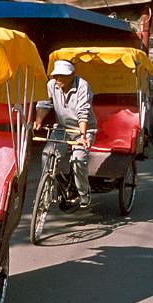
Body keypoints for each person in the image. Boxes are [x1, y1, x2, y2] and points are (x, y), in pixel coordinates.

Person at [34, 59, 97, 208]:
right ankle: (47, 191)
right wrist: (38, 120)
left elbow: (83, 112)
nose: (58, 79)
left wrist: (82, 136)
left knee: (78, 160)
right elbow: (44, 104)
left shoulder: (82, 85)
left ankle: (83, 193)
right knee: (47, 155)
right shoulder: (51, 85)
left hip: (84, 129)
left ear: (72, 75)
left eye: (62, 76)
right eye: (56, 76)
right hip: (62, 127)